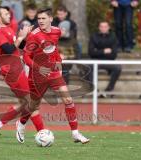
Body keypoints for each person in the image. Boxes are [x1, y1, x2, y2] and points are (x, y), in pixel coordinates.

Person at [23, 8, 90, 144]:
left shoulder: (57, 31)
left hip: (53, 72)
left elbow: (54, 48)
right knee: (34, 105)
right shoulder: (34, 35)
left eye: (43, 18)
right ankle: (21, 123)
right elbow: (26, 57)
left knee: (68, 99)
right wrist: (38, 68)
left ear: (51, 19)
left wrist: (58, 60)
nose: (40, 21)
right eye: (39, 19)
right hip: (37, 74)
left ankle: (75, 133)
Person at [0, 6, 45, 143]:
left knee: (24, 102)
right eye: (5, 13)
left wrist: (27, 37)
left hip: (18, 68)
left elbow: (18, 46)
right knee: (33, 102)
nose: (9, 15)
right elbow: (8, 49)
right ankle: (42, 133)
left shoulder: (8, 28)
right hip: (11, 71)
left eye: (8, 13)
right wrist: (20, 37)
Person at [88, 21, 121, 93]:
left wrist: (97, 51)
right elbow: (91, 52)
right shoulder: (94, 36)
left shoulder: (113, 37)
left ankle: (109, 88)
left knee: (118, 68)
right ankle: (94, 89)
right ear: (99, 28)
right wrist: (103, 51)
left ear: (108, 27)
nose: (103, 28)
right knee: (88, 67)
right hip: (95, 61)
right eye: (101, 26)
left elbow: (114, 54)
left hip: (108, 61)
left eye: (105, 27)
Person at [52, 5, 81, 84]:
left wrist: (66, 35)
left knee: (65, 68)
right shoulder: (53, 22)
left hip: (68, 47)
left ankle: (64, 88)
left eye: (61, 14)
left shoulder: (72, 23)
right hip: (55, 47)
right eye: (58, 14)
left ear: (66, 13)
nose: (60, 16)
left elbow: (73, 38)